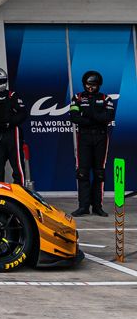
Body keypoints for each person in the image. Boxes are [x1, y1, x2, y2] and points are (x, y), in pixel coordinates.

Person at [68, 70, 115, 217]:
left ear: (98, 85)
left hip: (101, 137)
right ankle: (83, 206)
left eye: (93, 85)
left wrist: (88, 114)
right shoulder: (77, 97)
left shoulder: (106, 98)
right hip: (84, 137)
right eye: (88, 84)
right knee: (82, 172)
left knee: (99, 173)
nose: (90, 87)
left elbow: (108, 117)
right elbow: (74, 117)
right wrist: (94, 118)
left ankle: (97, 207)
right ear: (84, 84)